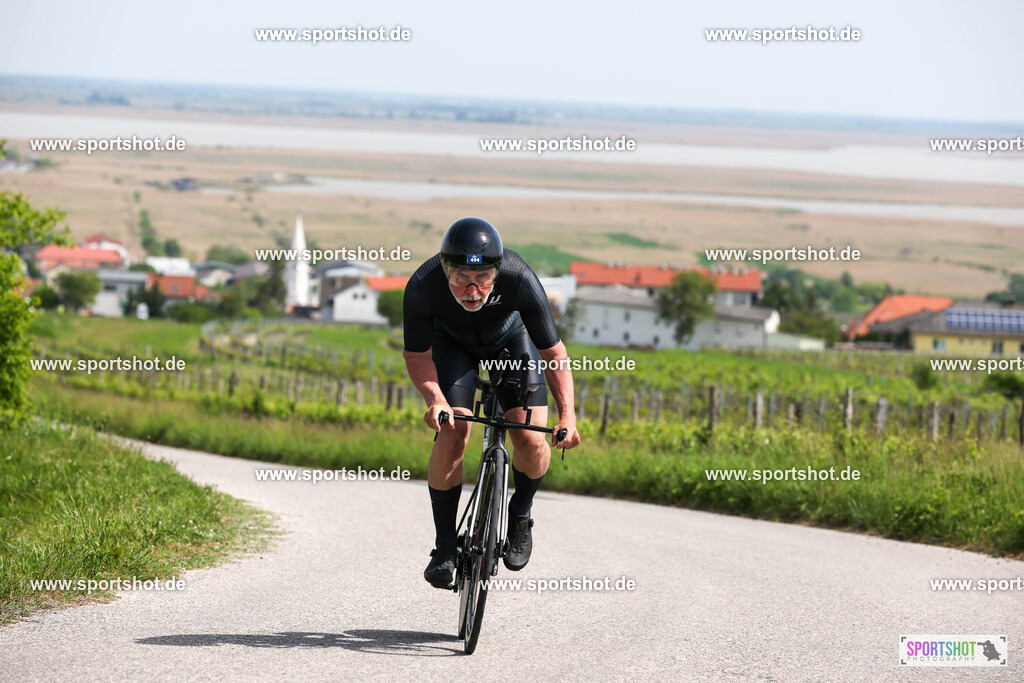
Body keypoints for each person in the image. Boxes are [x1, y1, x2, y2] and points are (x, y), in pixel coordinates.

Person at [402, 216, 581, 588]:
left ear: (497, 272)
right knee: (453, 431)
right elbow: (418, 357)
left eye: (483, 278)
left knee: (531, 438)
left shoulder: (518, 277)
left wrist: (568, 415)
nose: (473, 289)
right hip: (452, 347)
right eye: (461, 279)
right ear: (445, 269)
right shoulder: (422, 286)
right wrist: (435, 399)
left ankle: (520, 512)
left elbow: (552, 352)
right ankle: (445, 547)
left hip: (511, 343)